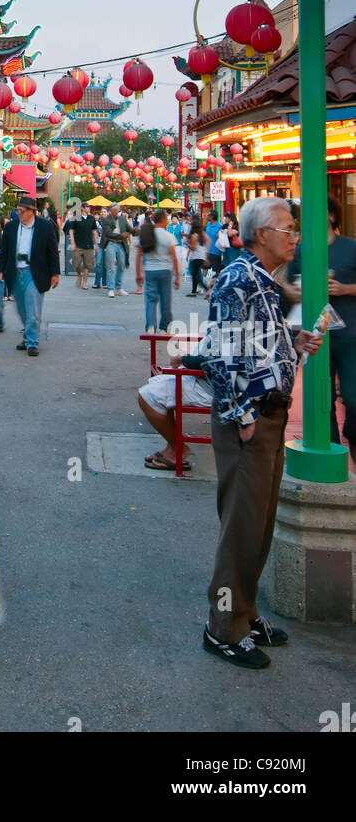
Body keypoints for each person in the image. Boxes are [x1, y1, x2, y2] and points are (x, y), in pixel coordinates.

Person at [196, 197, 322, 669]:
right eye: (287, 228)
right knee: (241, 530)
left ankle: (245, 616)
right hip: (248, 423)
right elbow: (220, 355)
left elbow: (257, 342)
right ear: (260, 235)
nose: (294, 236)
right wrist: (242, 417)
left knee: (260, 527)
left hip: (269, 418)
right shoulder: (238, 278)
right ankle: (222, 626)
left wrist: (294, 341)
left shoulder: (264, 282)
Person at [285, 195, 356, 459]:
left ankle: (352, 431)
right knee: (321, 401)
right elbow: (289, 287)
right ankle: (332, 452)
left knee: (353, 398)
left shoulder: (350, 248)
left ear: (332, 216)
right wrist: (297, 292)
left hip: (350, 334)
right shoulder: (301, 250)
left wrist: (346, 288)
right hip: (315, 337)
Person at [0, 195, 59, 357]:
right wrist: (0, 268)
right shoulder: (11, 228)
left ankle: (32, 342)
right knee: (21, 309)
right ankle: (27, 336)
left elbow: (52, 252)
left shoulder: (44, 226)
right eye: (18, 210)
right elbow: (5, 251)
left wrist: (55, 273)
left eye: (22, 211)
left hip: (35, 272)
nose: (19, 214)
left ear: (32, 212)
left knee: (33, 310)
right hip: (15, 272)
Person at [138, 363, 213, 471]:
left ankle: (178, 449)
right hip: (205, 381)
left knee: (148, 396)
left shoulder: (228, 346)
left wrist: (183, 359)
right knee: (159, 384)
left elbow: (212, 361)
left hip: (210, 389)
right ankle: (173, 448)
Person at [135, 209, 181, 333]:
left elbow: (139, 254)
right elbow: (174, 258)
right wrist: (177, 276)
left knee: (150, 299)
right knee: (165, 300)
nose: (168, 221)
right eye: (167, 219)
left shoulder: (147, 234)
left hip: (150, 270)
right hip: (165, 271)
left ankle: (150, 326)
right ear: (163, 220)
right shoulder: (168, 236)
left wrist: (138, 273)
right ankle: (164, 328)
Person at [100, 204, 132, 297]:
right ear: (110, 210)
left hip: (121, 244)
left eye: (117, 210)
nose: (115, 212)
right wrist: (121, 235)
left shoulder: (122, 219)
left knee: (121, 266)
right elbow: (108, 233)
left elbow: (129, 229)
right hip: (111, 243)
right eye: (113, 210)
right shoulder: (106, 220)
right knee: (110, 266)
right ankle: (110, 288)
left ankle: (118, 287)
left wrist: (135, 230)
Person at [69, 206, 96, 290]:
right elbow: (71, 230)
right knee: (76, 263)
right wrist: (72, 243)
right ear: (82, 208)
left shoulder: (91, 218)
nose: (89, 208)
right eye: (87, 207)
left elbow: (94, 231)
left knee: (87, 265)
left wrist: (96, 244)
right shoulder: (76, 218)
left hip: (89, 245)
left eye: (89, 207)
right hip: (78, 245)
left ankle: (84, 283)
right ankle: (79, 275)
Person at [187, 213, 208, 297]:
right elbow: (208, 241)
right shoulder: (201, 234)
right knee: (196, 274)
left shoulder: (194, 235)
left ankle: (206, 289)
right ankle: (195, 290)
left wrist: (187, 244)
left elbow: (193, 248)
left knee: (196, 275)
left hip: (196, 257)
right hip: (201, 256)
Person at [62, 213, 75, 278]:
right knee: (69, 253)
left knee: (69, 252)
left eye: (71, 214)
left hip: (69, 238)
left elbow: (64, 229)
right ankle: (69, 267)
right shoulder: (70, 221)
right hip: (71, 238)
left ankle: (69, 268)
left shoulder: (70, 221)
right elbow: (64, 229)